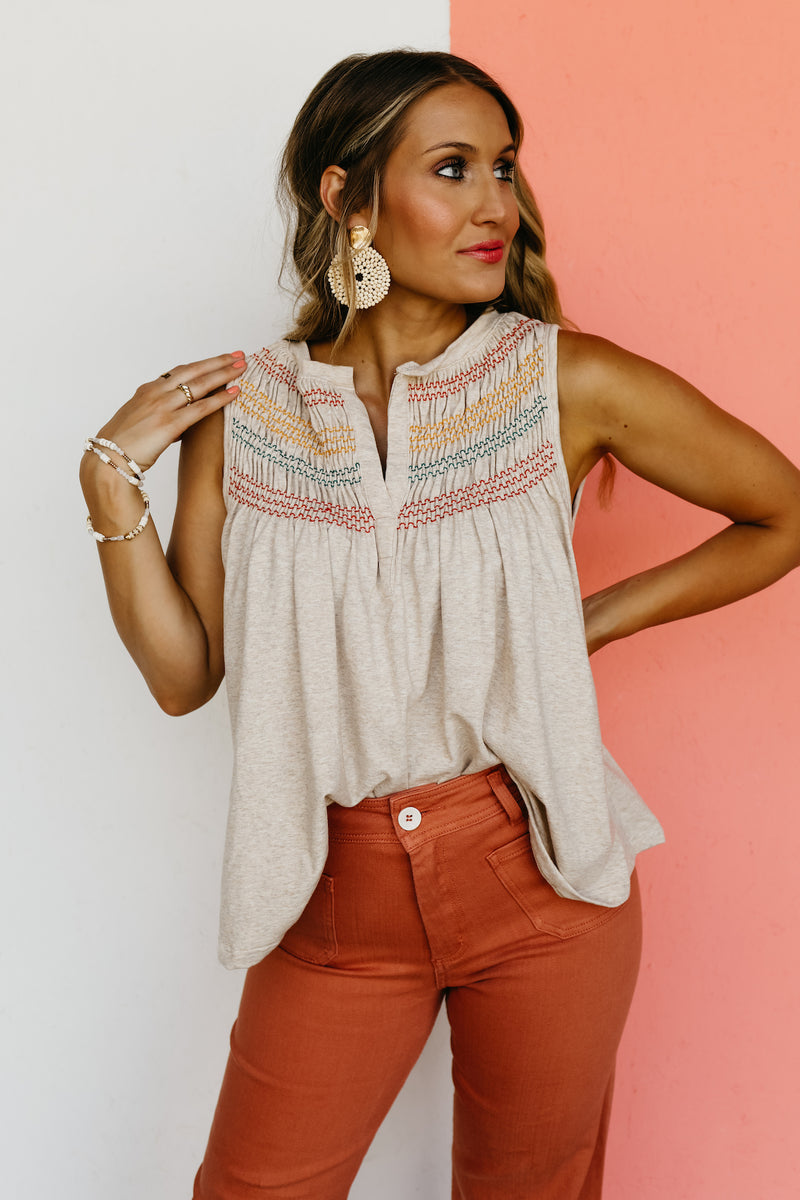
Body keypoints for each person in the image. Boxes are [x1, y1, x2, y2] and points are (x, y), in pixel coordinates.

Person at [79, 49, 800, 1200]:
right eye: (452, 169)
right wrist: (111, 484)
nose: (494, 205)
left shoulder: (562, 382)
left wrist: (588, 622)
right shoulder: (242, 413)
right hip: (333, 893)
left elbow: (778, 512)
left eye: (503, 168)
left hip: (540, 873)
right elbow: (184, 678)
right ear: (345, 196)